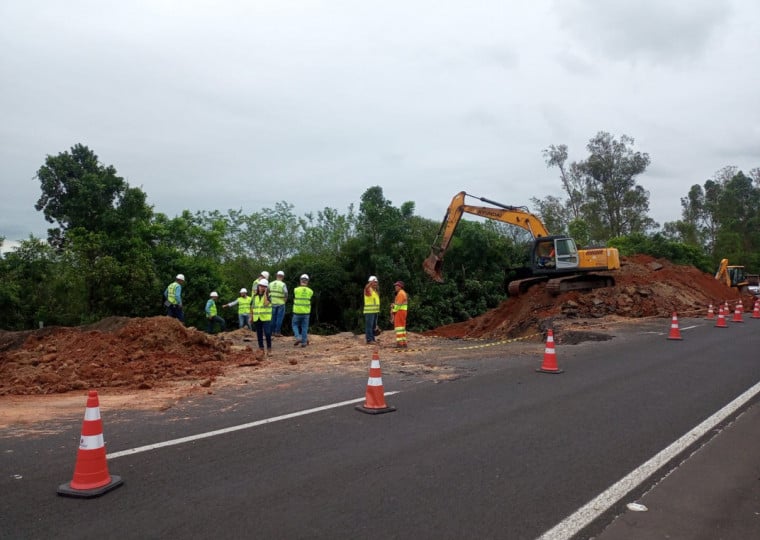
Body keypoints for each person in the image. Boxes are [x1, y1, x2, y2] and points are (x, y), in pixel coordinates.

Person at [251, 279, 273, 356]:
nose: (262, 288)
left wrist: (265, 294)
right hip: (257, 317)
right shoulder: (255, 296)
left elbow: (266, 303)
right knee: (259, 334)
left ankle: (269, 349)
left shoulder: (269, 296)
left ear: (267, 288)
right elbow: (252, 307)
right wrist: (251, 317)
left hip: (266, 318)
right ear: (258, 286)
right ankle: (261, 349)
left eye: (264, 286)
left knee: (267, 333)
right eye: (261, 286)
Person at [291, 274, 314, 348]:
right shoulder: (310, 291)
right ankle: (304, 342)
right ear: (307, 281)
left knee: (294, 325)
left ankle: (298, 337)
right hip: (306, 313)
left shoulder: (296, 290)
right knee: (304, 327)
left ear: (300, 280)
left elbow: (294, 297)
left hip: (297, 312)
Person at [269, 270, 289, 336]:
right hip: (281, 303)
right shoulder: (283, 284)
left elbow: (266, 292)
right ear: (282, 277)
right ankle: (277, 332)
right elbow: (286, 292)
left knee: (272, 318)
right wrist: (285, 300)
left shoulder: (271, 283)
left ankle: (272, 332)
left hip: (272, 303)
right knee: (279, 318)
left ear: (276, 275)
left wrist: (269, 299)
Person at [390, 280, 408, 348]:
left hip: (400, 312)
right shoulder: (402, 293)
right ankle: (403, 342)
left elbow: (398, 305)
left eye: (396, 286)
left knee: (399, 328)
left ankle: (400, 343)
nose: (395, 287)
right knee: (402, 328)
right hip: (402, 311)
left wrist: (393, 310)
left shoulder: (400, 294)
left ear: (400, 286)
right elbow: (399, 304)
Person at [363, 276, 380, 344]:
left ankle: (372, 339)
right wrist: (370, 284)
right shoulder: (368, 289)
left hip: (375, 311)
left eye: (376, 282)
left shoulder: (375, 291)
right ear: (370, 282)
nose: (375, 284)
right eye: (374, 282)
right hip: (369, 312)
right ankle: (369, 340)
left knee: (373, 326)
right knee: (369, 326)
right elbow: (366, 288)